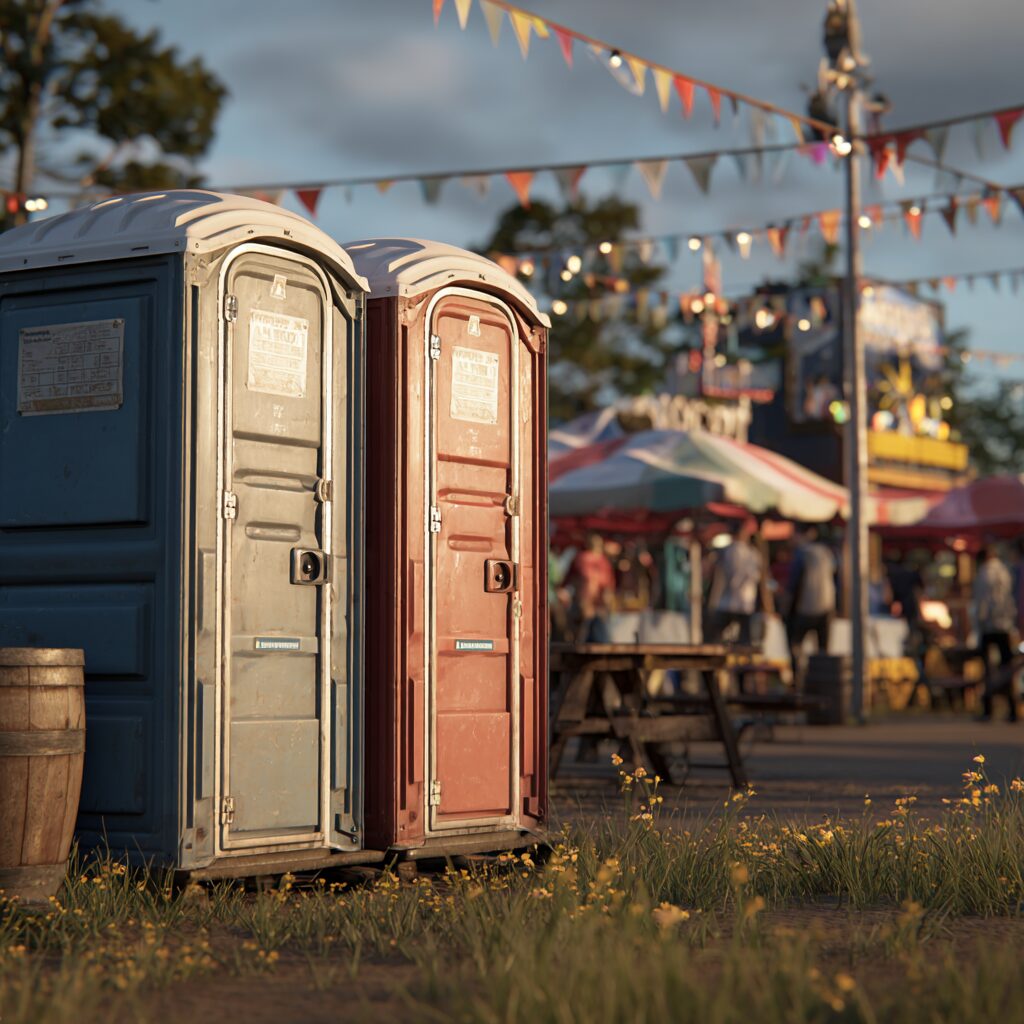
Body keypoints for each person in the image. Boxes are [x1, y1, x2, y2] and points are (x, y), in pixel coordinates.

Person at [973, 545, 1019, 722]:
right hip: (1006, 626)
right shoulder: (1006, 571)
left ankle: (988, 709)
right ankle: (1012, 708)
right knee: (1007, 668)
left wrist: (979, 624)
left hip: (989, 627)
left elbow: (982, 603)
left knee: (988, 669)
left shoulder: (984, 574)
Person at [786, 524, 837, 676]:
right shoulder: (828, 553)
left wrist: (788, 607)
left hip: (805, 608)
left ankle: (798, 679)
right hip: (827, 608)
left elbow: (795, 583)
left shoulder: (802, 553)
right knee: (823, 652)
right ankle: (820, 682)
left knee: (795, 645)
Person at [707, 518, 762, 645]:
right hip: (745, 603)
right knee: (744, 640)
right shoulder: (753, 554)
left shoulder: (728, 551)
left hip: (728, 602)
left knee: (715, 637)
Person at [566, 532, 616, 643]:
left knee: (594, 635)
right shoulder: (583, 559)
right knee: (584, 634)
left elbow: (608, 585)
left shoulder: (602, 561)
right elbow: (570, 580)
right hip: (586, 602)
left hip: (595, 603)